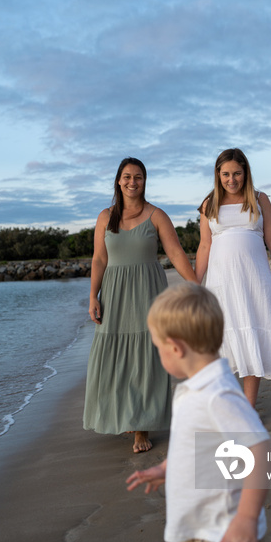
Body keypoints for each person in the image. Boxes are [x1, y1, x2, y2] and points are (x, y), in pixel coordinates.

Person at [127, 283, 270, 542]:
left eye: (158, 347)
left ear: (176, 348)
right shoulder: (195, 388)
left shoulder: (218, 395)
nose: (158, 354)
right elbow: (191, 445)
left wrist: (247, 518)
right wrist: (166, 468)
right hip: (197, 522)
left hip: (221, 530)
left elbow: (257, 447)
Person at [83, 157, 197, 453]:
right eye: (127, 177)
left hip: (148, 292)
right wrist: (93, 295)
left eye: (139, 177)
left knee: (145, 357)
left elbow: (175, 252)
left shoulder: (156, 215)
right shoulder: (104, 217)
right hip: (114, 294)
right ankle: (124, 416)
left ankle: (141, 429)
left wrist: (196, 284)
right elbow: (99, 259)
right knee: (114, 358)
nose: (132, 182)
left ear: (145, 182)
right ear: (118, 181)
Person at [195, 148, 271, 408]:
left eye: (237, 173)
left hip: (254, 281)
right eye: (226, 174)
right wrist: (194, 283)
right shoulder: (209, 204)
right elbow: (205, 246)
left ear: (245, 172)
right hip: (221, 282)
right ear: (218, 174)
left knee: (252, 337)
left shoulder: (260, 199)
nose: (232, 179)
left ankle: (248, 408)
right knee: (221, 340)